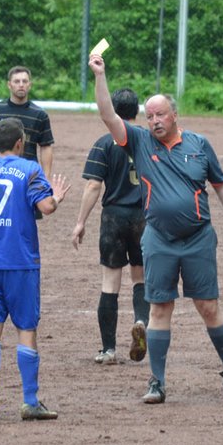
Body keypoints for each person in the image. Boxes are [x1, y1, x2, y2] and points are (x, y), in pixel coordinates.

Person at [88, 52, 223, 405]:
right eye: (149, 116)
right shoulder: (140, 142)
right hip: (159, 240)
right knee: (160, 309)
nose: (154, 121)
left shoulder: (198, 145)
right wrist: (100, 76)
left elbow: (221, 185)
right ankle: (157, 382)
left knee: (208, 306)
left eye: (160, 114)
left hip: (198, 239)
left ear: (175, 114)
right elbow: (107, 115)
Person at [0, 117, 72, 421]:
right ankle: (30, 401)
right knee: (26, 330)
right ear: (20, 143)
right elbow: (46, 208)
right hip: (21, 261)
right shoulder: (31, 169)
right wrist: (56, 197)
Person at [72, 88, 151, 366]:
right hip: (144, 217)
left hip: (113, 218)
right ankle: (141, 321)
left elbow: (94, 185)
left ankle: (108, 350)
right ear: (138, 112)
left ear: (112, 112)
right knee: (141, 279)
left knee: (110, 284)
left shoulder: (104, 143)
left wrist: (81, 221)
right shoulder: (147, 140)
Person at [0, 67, 55, 221]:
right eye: (17, 81)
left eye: (24, 81)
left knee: (25, 220)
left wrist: (46, 177)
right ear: (9, 84)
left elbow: (46, 146)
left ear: (30, 84)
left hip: (27, 177)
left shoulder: (39, 115)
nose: (21, 85)